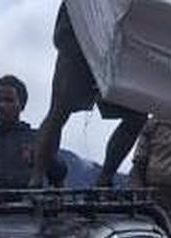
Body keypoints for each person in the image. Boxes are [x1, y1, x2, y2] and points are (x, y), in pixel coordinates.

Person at [29, 4, 147, 188]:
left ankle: (105, 178)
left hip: (113, 42)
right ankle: (36, 178)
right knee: (59, 110)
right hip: (78, 35)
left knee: (137, 116)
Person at [0, 75, 68, 190]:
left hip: (30, 206)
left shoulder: (38, 140)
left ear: (22, 104)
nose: (2, 105)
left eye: (9, 100)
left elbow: (59, 174)